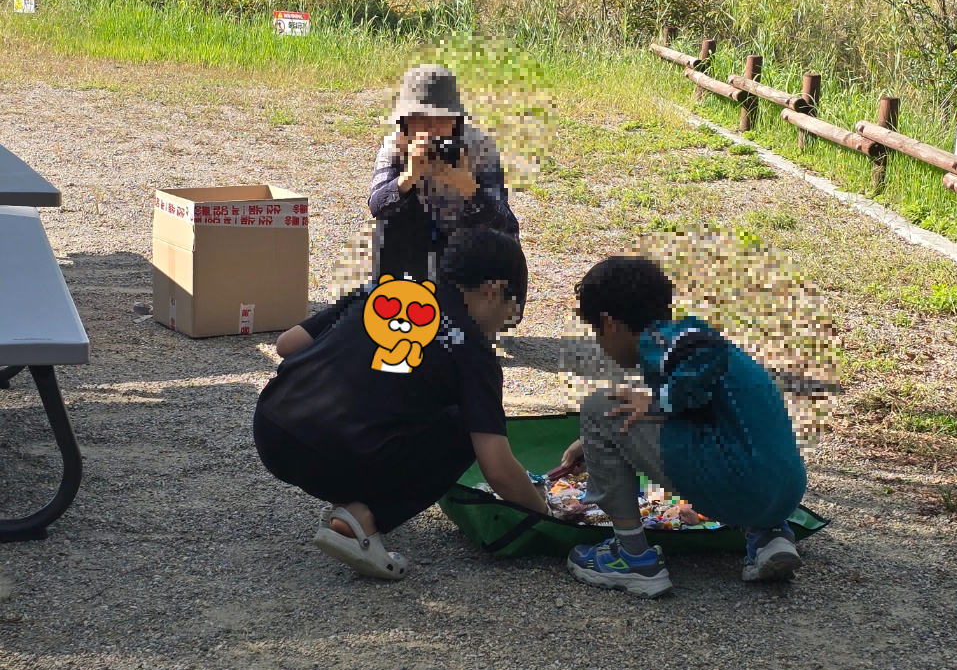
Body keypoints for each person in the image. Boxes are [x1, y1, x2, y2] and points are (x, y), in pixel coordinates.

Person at [253, 228, 548, 581]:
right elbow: (497, 468)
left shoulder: (384, 290)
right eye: (509, 317)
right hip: (331, 457)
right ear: (494, 291)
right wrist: (544, 513)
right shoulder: (473, 350)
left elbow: (287, 344)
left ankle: (347, 494)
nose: (502, 331)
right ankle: (365, 515)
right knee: (462, 427)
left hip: (271, 430)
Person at [559, 255, 808, 599]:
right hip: (785, 493)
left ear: (609, 323)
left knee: (600, 407)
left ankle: (632, 557)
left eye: (596, 333)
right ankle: (768, 536)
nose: (600, 344)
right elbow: (701, 401)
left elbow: (705, 355)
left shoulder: (665, 340)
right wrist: (591, 443)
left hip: (740, 486)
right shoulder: (680, 344)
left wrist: (657, 403)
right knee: (730, 424)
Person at [368, 64, 519, 288]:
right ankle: (392, 299)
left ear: (457, 122)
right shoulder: (395, 147)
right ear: (405, 123)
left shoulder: (479, 149)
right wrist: (407, 178)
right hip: (415, 259)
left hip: (471, 262)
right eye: (421, 119)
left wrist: (469, 189)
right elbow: (377, 207)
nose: (431, 130)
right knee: (390, 222)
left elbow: (504, 224)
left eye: (441, 119)